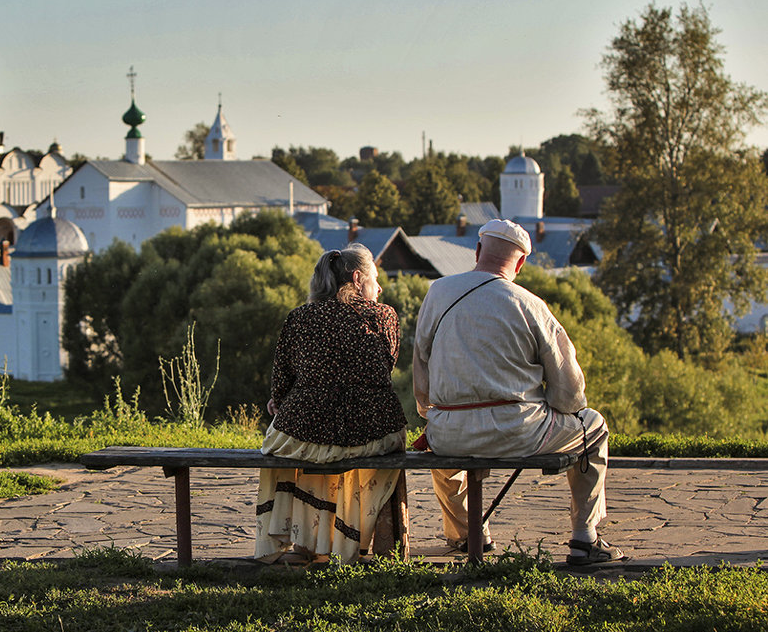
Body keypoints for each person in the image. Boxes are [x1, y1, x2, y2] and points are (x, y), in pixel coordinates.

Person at [412, 219, 623, 565]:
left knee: (440, 446)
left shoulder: (438, 291)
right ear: (521, 263)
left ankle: (468, 534)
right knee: (594, 426)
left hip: (450, 431)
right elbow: (569, 389)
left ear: (477, 251)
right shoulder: (530, 304)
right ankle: (585, 539)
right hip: (518, 431)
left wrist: (432, 410)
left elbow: (421, 365)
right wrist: (557, 408)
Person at [255, 244, 409, 565]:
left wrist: (282, 402)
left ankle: (303, 541)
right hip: (370, 432)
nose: (379, 288)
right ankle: (347, 541)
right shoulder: (384, 315)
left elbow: (281, 385)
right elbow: (384, 369)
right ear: (357, 278)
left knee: (298, 444)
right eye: (374, 279)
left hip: (303, 433)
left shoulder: (299, 318)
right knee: (354, 449)